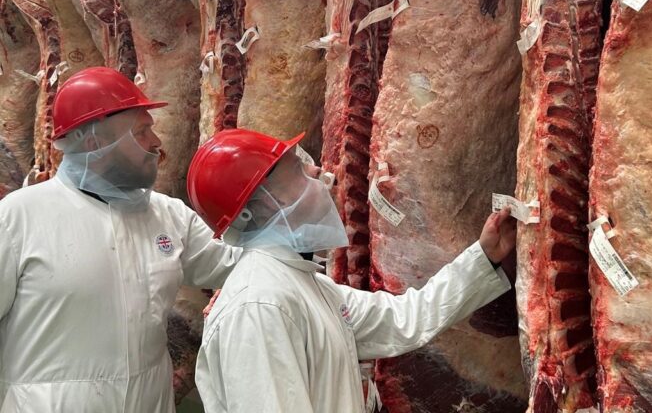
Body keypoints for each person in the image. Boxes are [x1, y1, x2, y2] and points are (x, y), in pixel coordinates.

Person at [187, 128, 517, 413]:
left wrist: (484, 256)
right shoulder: (257, 306)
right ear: (254, 209)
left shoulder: (305, 286)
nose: (317, 173)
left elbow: (404, 319)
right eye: (296, 171)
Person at [0, 67, 241, 413]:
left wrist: (289, 230)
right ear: (95, 143)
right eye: (142, 131)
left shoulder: (168, 215)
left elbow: (239, 268)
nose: (156, 143)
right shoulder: (18, 218)